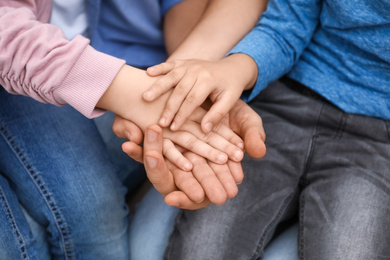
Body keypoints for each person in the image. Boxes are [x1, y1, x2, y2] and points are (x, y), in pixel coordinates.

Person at [134, 0, 390, 259]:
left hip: (378, 140)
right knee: (199, 248)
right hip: (279, 98)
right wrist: (234, 69)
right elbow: (288, 23)